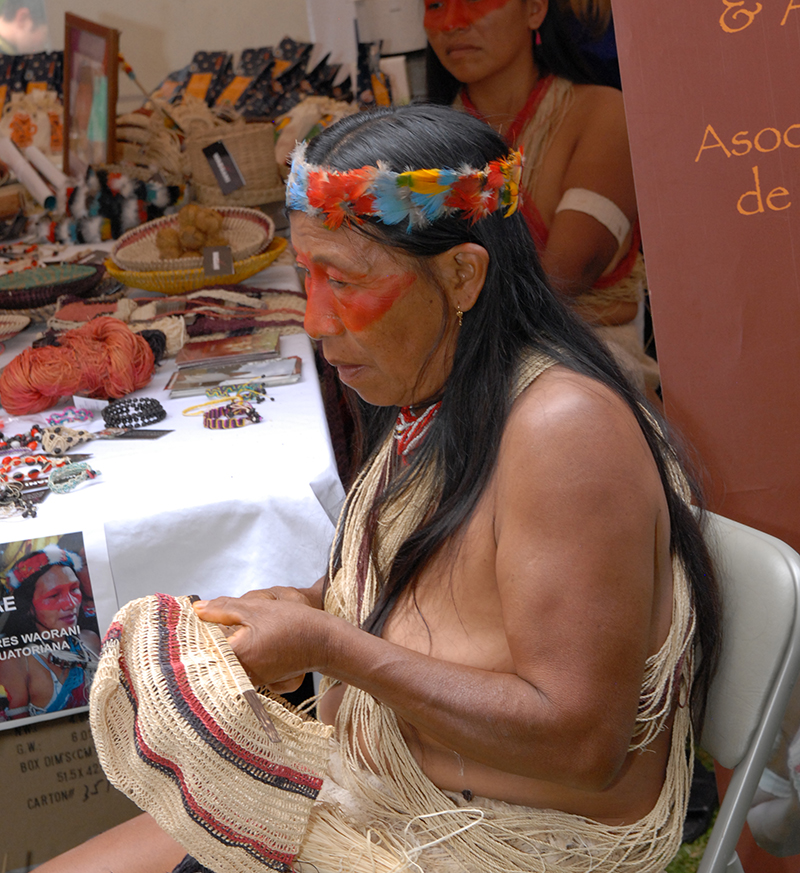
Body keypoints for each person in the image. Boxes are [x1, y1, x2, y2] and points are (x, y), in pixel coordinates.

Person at [39, 104, 721, 873]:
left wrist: (334, 645)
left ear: (463, 275)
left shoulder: (562, 430)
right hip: (397, 800)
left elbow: (581, 741)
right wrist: (307, 606)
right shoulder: (436, 402)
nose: (317, 321)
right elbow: (433, 602)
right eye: (308, 276)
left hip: (503, 845)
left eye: (348, 280)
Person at [425, 0, 659, 399]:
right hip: (460, 367)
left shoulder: (603, 114)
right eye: (435, 5)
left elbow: (568, 274)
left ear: (534, 9)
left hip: (592, 368)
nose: (452, 23)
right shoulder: (427, 143)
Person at [0, 544, 100, 719]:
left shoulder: (91, 641)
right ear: (28, 607)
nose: (71, 604)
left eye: (74, 589)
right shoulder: (16, 663)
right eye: (54, 595)